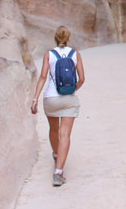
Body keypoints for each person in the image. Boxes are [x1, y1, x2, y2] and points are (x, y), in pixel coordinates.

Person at [31, 25, 85, 187]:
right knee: (65, 135)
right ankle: (58, 172)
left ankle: (56, 154)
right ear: (68, 38)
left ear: (55, 38)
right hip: (69, 98)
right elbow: (82, 78)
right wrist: (72, 90)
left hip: (51, 98)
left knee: (53, 130)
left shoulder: (49, 54)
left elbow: (42, 77)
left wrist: (34, 99)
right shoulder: (75, 54)